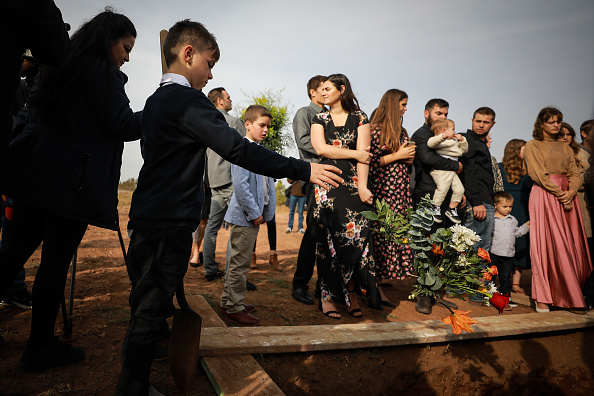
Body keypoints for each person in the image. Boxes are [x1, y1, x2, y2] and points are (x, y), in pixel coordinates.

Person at [116, 20, 342, 395]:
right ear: (188, 55)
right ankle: (132, 385)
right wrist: (302, 168)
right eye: (209, 62)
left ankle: (154, 346)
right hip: (169, 221)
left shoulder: (156, 101)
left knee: (146, 295)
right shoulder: (188, 101)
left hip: (145, 215)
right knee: (151, 304)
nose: (210, 73)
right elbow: (238, 149)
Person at [0, 9, 141, 370]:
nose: (127, 56)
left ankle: (40, 344)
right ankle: (39, 347)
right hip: (68, 185)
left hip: (33, 173)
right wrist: (162, 107)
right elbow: (123, 123)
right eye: (125, 48)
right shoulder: (101, 72)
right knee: (53, 265)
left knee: (12, 254)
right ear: (109, 41)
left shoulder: (57, 65)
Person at [310, 73, 381, 319]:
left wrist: (363, 187)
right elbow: (320, 149)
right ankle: (327, 296)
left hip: (352, 185)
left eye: (328, 88)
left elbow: (366, 157)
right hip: (326, 182)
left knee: (354, 239)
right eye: (321, 90)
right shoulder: (319, 118)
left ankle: (350, 293)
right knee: (327, 241)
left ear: (342, 89)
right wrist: (353, 154)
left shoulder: (361, 118)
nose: (323, 93)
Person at [523, 107, 592, 314]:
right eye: (551, 121)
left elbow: (575, 172)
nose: (556, 125)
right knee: (547, 244)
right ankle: (543, 297)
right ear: (541, 124)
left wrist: (570, 191)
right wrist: (559, 192)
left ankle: (570, 292)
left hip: (567, 196)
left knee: (570, 244)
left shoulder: (566, 148)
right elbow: (538, 174)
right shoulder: (532, 145)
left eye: (558, 121)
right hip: (545, 195)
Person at [220, 105, 276, 326]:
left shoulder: (257, 150)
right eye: (261, 125)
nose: (265, 130)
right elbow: (241, 187)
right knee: (239, 264)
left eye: (268, 127)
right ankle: (234, 307)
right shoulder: (243, 149)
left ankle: (228, 302)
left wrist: (266, 212)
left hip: (253, 216)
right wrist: (254, 213)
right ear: (248, 124)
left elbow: (266, 182)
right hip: (245, 216)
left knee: (238, 261)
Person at [410, 98, 460, 314]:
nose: (443, 117)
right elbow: (428, 158)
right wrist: (457, 165)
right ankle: (422, 295)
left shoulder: (446, 134)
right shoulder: (422, 135)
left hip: (445, 197)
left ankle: (434, 292)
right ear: (426, 113)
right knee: (425, 246)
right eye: (438, 113)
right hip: (427, 195)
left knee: (441, 248)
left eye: (445, 114)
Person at [368, 89, 415, 307]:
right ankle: (374, 288)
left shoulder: (402, 131)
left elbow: (407, 161)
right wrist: (398, 156)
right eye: (403, 104)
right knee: (379, 240)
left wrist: (407, 158)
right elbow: (370, 163)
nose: (405, 108)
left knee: (392, 239)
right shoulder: (374, 131)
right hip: (383, 193)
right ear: (393, 104)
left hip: (400, 193)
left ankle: (378, 284)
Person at [201, 87, 246, 281]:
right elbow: (245, 150)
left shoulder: (203, 122)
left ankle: (209, 269)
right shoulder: (234, 122)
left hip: (212, 182)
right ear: (220, 101)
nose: (231, 100)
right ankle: (231, 273)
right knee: (237, 226)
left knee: (212, 226)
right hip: (231, 181)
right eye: (228, 97)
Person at [291, 75, 327, 305]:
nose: (326, 93)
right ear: (312, 92)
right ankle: (299, 285)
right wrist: (335, 151)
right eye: (322, 89)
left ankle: (323, 287)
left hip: (334, 179)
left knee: (330, 235)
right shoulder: (305, 113)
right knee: (313, 233)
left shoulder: (333, 115)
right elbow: (304, 143)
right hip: (314, 178)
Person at [460, 107, 496, 252]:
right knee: (475, 250)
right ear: (472, 121)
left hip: (485, 200)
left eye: (486, 122)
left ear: (492, 124)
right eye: (478, 121)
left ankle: (478, 275)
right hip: (477, 203)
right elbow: (468, 172)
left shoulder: (481, 143)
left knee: (482, 249)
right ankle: (474, 276)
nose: (481, 125)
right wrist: (476, 202)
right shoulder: (467, 140)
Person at [499, 139, 533, 294]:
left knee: (521, 244)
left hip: (523, 209)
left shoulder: (530, 171)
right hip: (504, 210)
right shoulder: (500, 168)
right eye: (524, 149)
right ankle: (499, 281)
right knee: (502, 244)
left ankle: (516, 283)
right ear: (515, 150)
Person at [490, 191, 530, 308]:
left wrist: (526, 226)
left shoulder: (513, 220)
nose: (508, 209)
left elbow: (516, 233)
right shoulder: (492, 220)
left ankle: (506, 298)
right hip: (494, 253)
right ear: (495, 205)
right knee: (491, 277)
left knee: (505, 278)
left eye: (510, 207)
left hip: (508, 255)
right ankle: (489, 297)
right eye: (505, 206)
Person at [427, 118, 468, 223]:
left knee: (459, 189)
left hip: (452, 171)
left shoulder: (454, 141)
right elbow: (430, 143)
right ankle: (435, 207)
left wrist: (463, 141)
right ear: (444, 131)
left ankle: (452, 208)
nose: (455, 132)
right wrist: (441, 137)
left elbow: (463, 150)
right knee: (443, 188)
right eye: (453, 129)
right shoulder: (440, 140)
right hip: (441, 171)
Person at [557, 122, 591, 244]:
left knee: (581, 237)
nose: (565, 138)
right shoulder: (552, 153)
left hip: (580, 199)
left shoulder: (582, 154)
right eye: (562, 135)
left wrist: (577, 184)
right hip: (559, 198)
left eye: (568, 134)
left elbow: (589, 176)